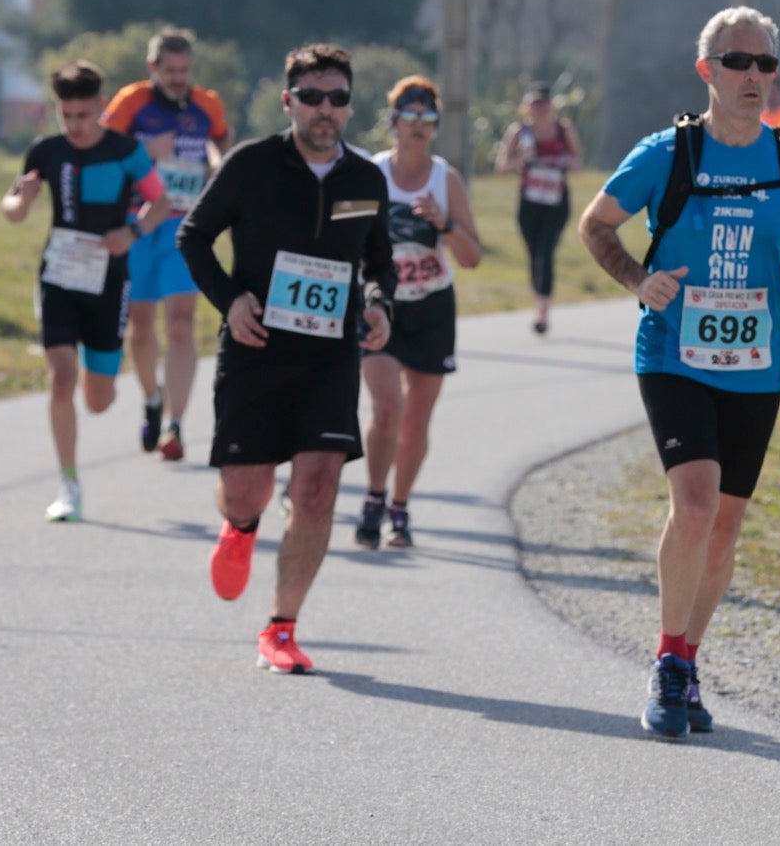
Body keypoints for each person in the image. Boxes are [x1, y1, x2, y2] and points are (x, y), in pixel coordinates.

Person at [577, 6, 780, 740]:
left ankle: (689, 661)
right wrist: (639, 280)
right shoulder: (667, 154)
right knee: (694, 506)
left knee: (724, 531)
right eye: (738, 62)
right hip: (674, 353)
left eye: (766, 64)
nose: (754, 76)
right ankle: (667, 663)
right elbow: (596, 225)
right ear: (707, 70)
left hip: (757, 363)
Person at [176, 43, 397, 675]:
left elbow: (378, 262)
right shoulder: (252, 165)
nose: (325, 109)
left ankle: (281, 627)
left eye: (337, 98)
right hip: (257, 349)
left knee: (318, 489)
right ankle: (241, 526)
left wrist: (378, 304)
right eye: (311, 97)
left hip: (330, 355)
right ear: (288, 102)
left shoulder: (365, 178)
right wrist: (230, 301)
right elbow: (193, 236)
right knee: (246, 492)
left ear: (350, 107)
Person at [0, 62, 170, 522]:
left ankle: (153, 397)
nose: (74, 125)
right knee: (60, 376)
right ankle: (69, 485)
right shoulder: (46, 151)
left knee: (99, 401)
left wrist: (131, 233)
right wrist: (22, 199)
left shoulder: (126, 151)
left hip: (108, 279)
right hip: (59, 276)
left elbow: (161, 201)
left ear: (100, 106)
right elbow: (12, 209)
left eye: (83, 114)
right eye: (66, 115)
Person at [355, 76, 482, 550]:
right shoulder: (373, 174)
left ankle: (400, 507)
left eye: (427, 118)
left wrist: (442, 224)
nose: (418, 126)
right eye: (409, 116)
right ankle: (374, 497)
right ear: (394, 122)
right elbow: (346, 241)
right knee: (388, 408)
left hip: (431, 307)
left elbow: (471, 257)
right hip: (381, 306)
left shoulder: (445, 179)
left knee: (415, 421)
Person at [102, 28, 231, 462]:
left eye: (184, 70)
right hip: (138, 223)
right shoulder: (132, 102)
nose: (178, 79)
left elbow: (221, 137)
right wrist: (144, 149)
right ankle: (152, 398)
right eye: (170, 70)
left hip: (183, 226)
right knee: (140, 327)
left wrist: (217, 162)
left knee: (180, 323)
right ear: (153, 68)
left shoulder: (207, 104)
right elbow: (102, 148)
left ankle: (175, 425)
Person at [495, 82, 583, 335]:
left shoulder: (563, 129)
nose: (540, 109)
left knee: (546, 252)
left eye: (544, 104)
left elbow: (578, 163)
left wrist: (564, 160)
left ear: (551, 106)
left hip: (556, 202)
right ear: (527, 107)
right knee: (534, 254)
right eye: (535, 104)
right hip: (528, 203)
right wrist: (521, 159)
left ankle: (542, 312)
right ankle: (539, 299)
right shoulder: (519, 132)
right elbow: (501, 167)